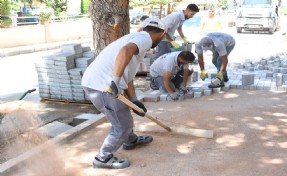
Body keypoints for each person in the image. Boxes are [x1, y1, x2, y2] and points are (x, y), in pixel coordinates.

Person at [81, 18, 166, 169]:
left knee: (123, 114)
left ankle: (130, 140)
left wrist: (133, 99)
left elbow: (128, 75)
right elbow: (125, 51)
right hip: (103, 86)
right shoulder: (144, 38)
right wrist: (114, 80)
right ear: (162, 34)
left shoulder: (137, 38)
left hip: (98, 83)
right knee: (121, 125)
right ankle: (102, 158)